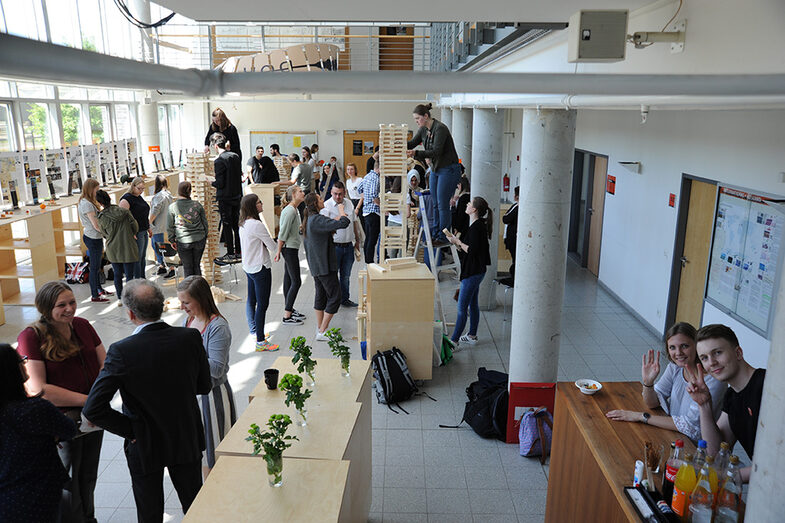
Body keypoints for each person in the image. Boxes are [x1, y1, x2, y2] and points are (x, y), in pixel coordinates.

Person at [83, 279, 211, 522]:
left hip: (145, 443)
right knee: (196, 507)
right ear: (162, 306)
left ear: (130, 313)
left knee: (150, 512)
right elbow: (203, 386)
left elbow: (93, 408)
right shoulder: (190, 337)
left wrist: (131, 430)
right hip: (185, 436)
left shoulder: (122, 351)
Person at [17, 281, 107, 523]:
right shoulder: (31, 337)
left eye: (72, 302)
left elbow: (105, 365)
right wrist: (89, 400)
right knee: (68, 482)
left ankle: (88, 519)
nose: (69, 309)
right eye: (61, 305)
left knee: (88, 476)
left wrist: (96, 401)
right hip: (60, 421)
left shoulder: (83, 326)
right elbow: (38, 388)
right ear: (46, 309)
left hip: (92, 415)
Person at [605, 322, 727, 442]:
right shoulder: (675, 367)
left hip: (696, 448)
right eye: (672, 347)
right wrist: (648, 383)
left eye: (684, 346)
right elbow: (652, 403)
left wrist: (640, 416)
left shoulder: (714, 380)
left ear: (697, 346)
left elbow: (689, 425)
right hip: (672, 435)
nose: (678, 353)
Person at [0, 343, 78, 523]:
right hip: (38, 497)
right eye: (21, 360)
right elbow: (69, 429)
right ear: (12, 371)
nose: (24, 363)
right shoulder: (35, 409)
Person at [685, 324, 765, 483]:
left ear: (738, 353)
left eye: (718, 353)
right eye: (705, 358)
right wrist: (704, 405)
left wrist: (727, 477)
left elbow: (775, 464)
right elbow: (714, 451)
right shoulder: (732, 396)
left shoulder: (766, 386)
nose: (712, 362)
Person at [177, 276, 237, 474]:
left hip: (213, 397)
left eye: (186, 302)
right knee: (200, 454)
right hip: (193, 396)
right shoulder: (190, 319)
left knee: (216, 454)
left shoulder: (218, 327)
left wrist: (187, 356)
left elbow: (216, 368)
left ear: (201, 299)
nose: (182, 308)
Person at [407, 102, 461, 245]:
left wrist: (416, 152)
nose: (417, 122)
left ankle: (443, 237)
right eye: (415, 120)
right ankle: (436, 233)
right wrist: (395, 143)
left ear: (426, 116)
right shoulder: (423, 129)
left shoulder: (440, 129)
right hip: (436, 169)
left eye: (418, 119)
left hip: (449, 169)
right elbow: (411, 143)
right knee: (436, 204)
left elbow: (437, 151)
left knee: (443, 204)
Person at [302, 192, 350, 340]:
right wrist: (341, 211)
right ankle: (322, 330)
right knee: (335, 296)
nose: (322, 200)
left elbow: (325, 226)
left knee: (321, 295)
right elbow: (344, 223)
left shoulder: (311, 220)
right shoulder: (317, 220)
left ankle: (320, 328)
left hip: (317, 265)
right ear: (315, 204)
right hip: (324, 265)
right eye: (320, 199)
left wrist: (333, 220)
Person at [238, 193, 280, 352]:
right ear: (252, 207)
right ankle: (261, 342)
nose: (261, 204)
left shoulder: (243, 223)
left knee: (252, 300)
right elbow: (272, 245)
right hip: (260, 268)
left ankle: (255, 331)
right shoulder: (257, 224)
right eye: (259, 202)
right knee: (263, 304)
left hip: (249, 267)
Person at [448, 196, 492, 347]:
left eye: (469, 203)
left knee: (461, 308)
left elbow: (471, 250)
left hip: (473, 272)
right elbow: (470, 248)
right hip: (476, 270)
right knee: (473, 304)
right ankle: (472, 335)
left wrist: (458, 242)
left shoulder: (476, 227)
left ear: (474, 209)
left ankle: (453, 342)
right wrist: (456, 242)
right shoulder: (476, 225)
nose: (466, 204)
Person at [321, 181, 362, 307]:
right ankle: (332, 300)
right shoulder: (326, 206)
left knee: (346, 276)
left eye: (340, 194)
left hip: (348, 246)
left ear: (344, 193)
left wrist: (357, 240)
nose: (338, 197)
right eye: (335, 194)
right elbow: (324, 226)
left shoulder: (349, 203)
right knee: (333, 276)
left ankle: (345, 299)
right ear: (331, 193)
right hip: (334, 247)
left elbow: (354, 222)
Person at [97, 189, 138, 300]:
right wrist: (131, 234)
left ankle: (120, 298)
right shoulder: (124, 212)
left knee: (117, 274)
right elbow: (135, 226)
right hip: (128, 245)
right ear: (110, 198)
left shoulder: (101, 217)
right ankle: (130, 298)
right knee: (130, 275)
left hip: (113, 248)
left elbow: (104, 233)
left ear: (100, 203)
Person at [274, 185, 306, 325]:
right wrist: (278, 251)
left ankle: (290, 309)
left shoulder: (294, 210)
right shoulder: (290, 211)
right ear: (293, 194)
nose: (303, 193)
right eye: (300, 191)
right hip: (289, 249)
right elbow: (283, 233)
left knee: (288, 278)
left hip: (291, 248)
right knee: (296, 281)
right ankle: (287, 315)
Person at [211, 132, 243, 262]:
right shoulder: (235, 156)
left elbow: (220, 183)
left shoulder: (219, 161)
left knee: (227, 225)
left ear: (216, 146)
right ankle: (239, 251)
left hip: (225, 198)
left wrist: (210, 182)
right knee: (237, 225)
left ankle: (230, 253)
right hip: (237, 196)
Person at [78, 178, 112, 303]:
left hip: (93, 237)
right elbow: (96, 225)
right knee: (95, 267)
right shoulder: (87, 204)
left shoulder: (86, 201)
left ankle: (99, 289)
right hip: (93, 237)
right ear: (90, 189)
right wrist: (108, 235)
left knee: (97, 266)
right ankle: (95, 295)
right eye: (96, 190)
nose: (98, 192)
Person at [167, 181, 208, 277]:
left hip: (183, 241)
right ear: (190, 192)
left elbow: (169, 226)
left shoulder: (172, 207)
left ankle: (190, 291)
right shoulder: (197, 205)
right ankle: (199, 289)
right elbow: (205, 223)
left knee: (187, 267)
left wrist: (172, 240)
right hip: (199, 239)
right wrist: (204, 235)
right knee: (197, 265)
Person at [119, 177, 152, 279]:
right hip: (136, 232)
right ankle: (138, 279)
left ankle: (142, 277)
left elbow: (143, 214)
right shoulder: (126, 199)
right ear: (133, 186)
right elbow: (123, 219)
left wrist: (148, 227)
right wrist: (130, 233)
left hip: (143, 230)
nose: (141, 191)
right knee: (137, 258)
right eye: (139, 188)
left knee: (142, 257)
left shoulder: (138, 196)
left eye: (143, 189)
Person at [149, 174, 174, 278]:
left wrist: (149, 222)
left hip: (159, 227)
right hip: (167, 226)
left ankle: (171, 268)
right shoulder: (168, 194)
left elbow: (155, 210)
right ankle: (162, 266)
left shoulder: (159, 196)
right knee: (164, 247)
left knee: (160, 248)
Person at [357, 159, 381, 264]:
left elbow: (359, 189)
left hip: (366, 211)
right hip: (373, 212)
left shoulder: (367, 176)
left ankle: (367, 261)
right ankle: (369, 262)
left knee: (368, 239)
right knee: (372, 240)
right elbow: (373, 195)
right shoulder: (376, 178)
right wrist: (383, 206)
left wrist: (365, 198)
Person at [502, 186, 519, 278]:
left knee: (515, 260)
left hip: (514, 239)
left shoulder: (518, 208)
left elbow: (506, 219)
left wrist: (506, 217)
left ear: (517, 196)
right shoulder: (515, 205)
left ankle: (514, 278)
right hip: (510, 238)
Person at [345, 162, 364, 230]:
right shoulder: (348, 181)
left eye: (351, 169)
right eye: (348, 169)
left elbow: (362, 195)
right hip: (352, 202)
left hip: (360, 202)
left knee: (363, 223)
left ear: (355, 170)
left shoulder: (360, 180)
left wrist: (357, 208)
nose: (350, 171)